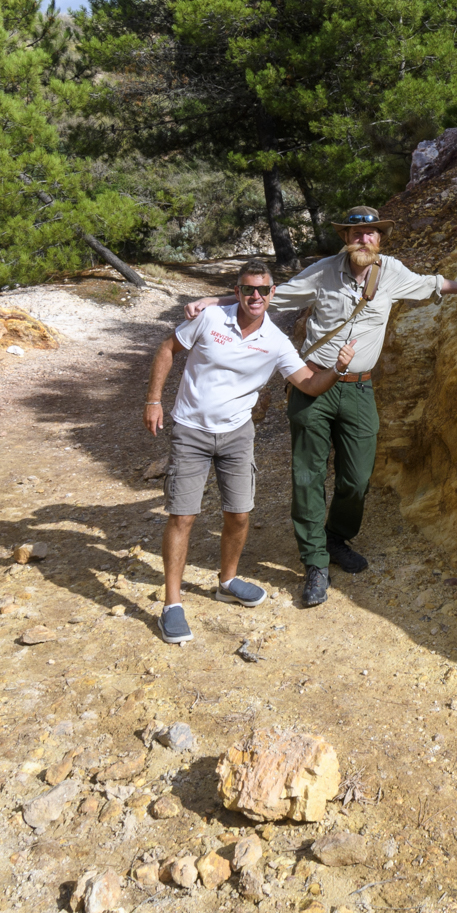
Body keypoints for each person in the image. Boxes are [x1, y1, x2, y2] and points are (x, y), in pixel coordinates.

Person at [184, 206, 457, 608]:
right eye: (356, 233)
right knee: (307, 477)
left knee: (356, 476)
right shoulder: (322, 272)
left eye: (371, 233)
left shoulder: (392, 272)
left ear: (380, 239)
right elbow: (270, 297)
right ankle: (315, 561)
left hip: (358, 389)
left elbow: (432, 284)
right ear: (345, 238)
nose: (364, 239)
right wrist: (213, 299)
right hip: (313, 385)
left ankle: (337, 536)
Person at [144, 260, 356, 645]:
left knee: (239, 514)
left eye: (263, 290)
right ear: (237, 291)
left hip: (237, 435)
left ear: (272, 294)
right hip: (191, 429)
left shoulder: (275, 341)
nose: (255, 296)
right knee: (183, 517)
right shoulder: (210, 319)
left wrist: (338, 370)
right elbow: (167, 348)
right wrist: (154, 400)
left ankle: (227, 581)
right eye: (247, 289)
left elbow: (308, 383)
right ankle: (172, 604)